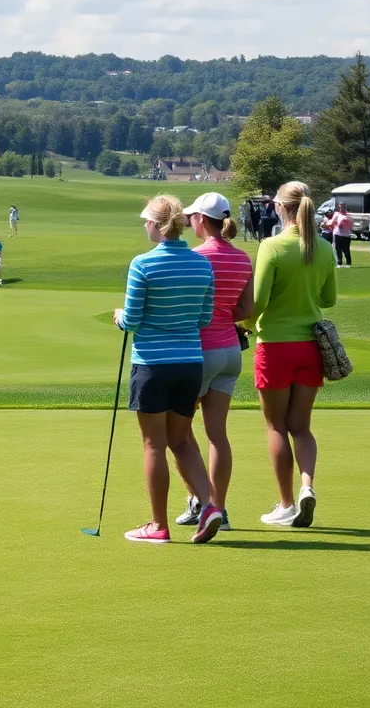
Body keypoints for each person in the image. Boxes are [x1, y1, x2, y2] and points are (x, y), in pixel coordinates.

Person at [113, 195, 222, 545]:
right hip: (190, 364)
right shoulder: (201, 265)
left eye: (146, 220)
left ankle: (158, 525)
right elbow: (204, 318)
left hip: (152, 366)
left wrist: (118, 317)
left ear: (157, 225)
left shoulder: (142, 264)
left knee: (154, 445)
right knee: (180, 440)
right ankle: (210, 506)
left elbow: (131, 319)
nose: (144, 225)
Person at [250, 182, 337, 528]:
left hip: (274, 346)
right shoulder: (325, 248)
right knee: (301, 427)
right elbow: (328, 299)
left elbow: (257, 302)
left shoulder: (271, 246)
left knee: (275, 426)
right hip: (310, 347)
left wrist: (242, 323)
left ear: (280, 208)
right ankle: (306, 487)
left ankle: (286, 504)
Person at [174, 193, 252, 533]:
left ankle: (200, 503)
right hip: (231, 352)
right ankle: (219, 508)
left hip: (199, 353)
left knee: (176, 433)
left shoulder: (195, 257)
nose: (190, 222)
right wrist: (223, 317)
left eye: (192, 217)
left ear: (201, 221)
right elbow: (246, 311)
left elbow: (186, 308)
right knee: (217, 434)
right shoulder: (243, 258)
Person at [329, 203, 353, 268]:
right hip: (338, 234)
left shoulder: (349, 216)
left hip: (346, 235)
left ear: (345, 207)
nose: (341, 209)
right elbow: (331, 222)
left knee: (346, 250)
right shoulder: (337, 215)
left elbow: (351, 227)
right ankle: (339, 263)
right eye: (340, 207)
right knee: (338, 250)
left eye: (343, 207)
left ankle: (348, 263)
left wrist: (346, 223)